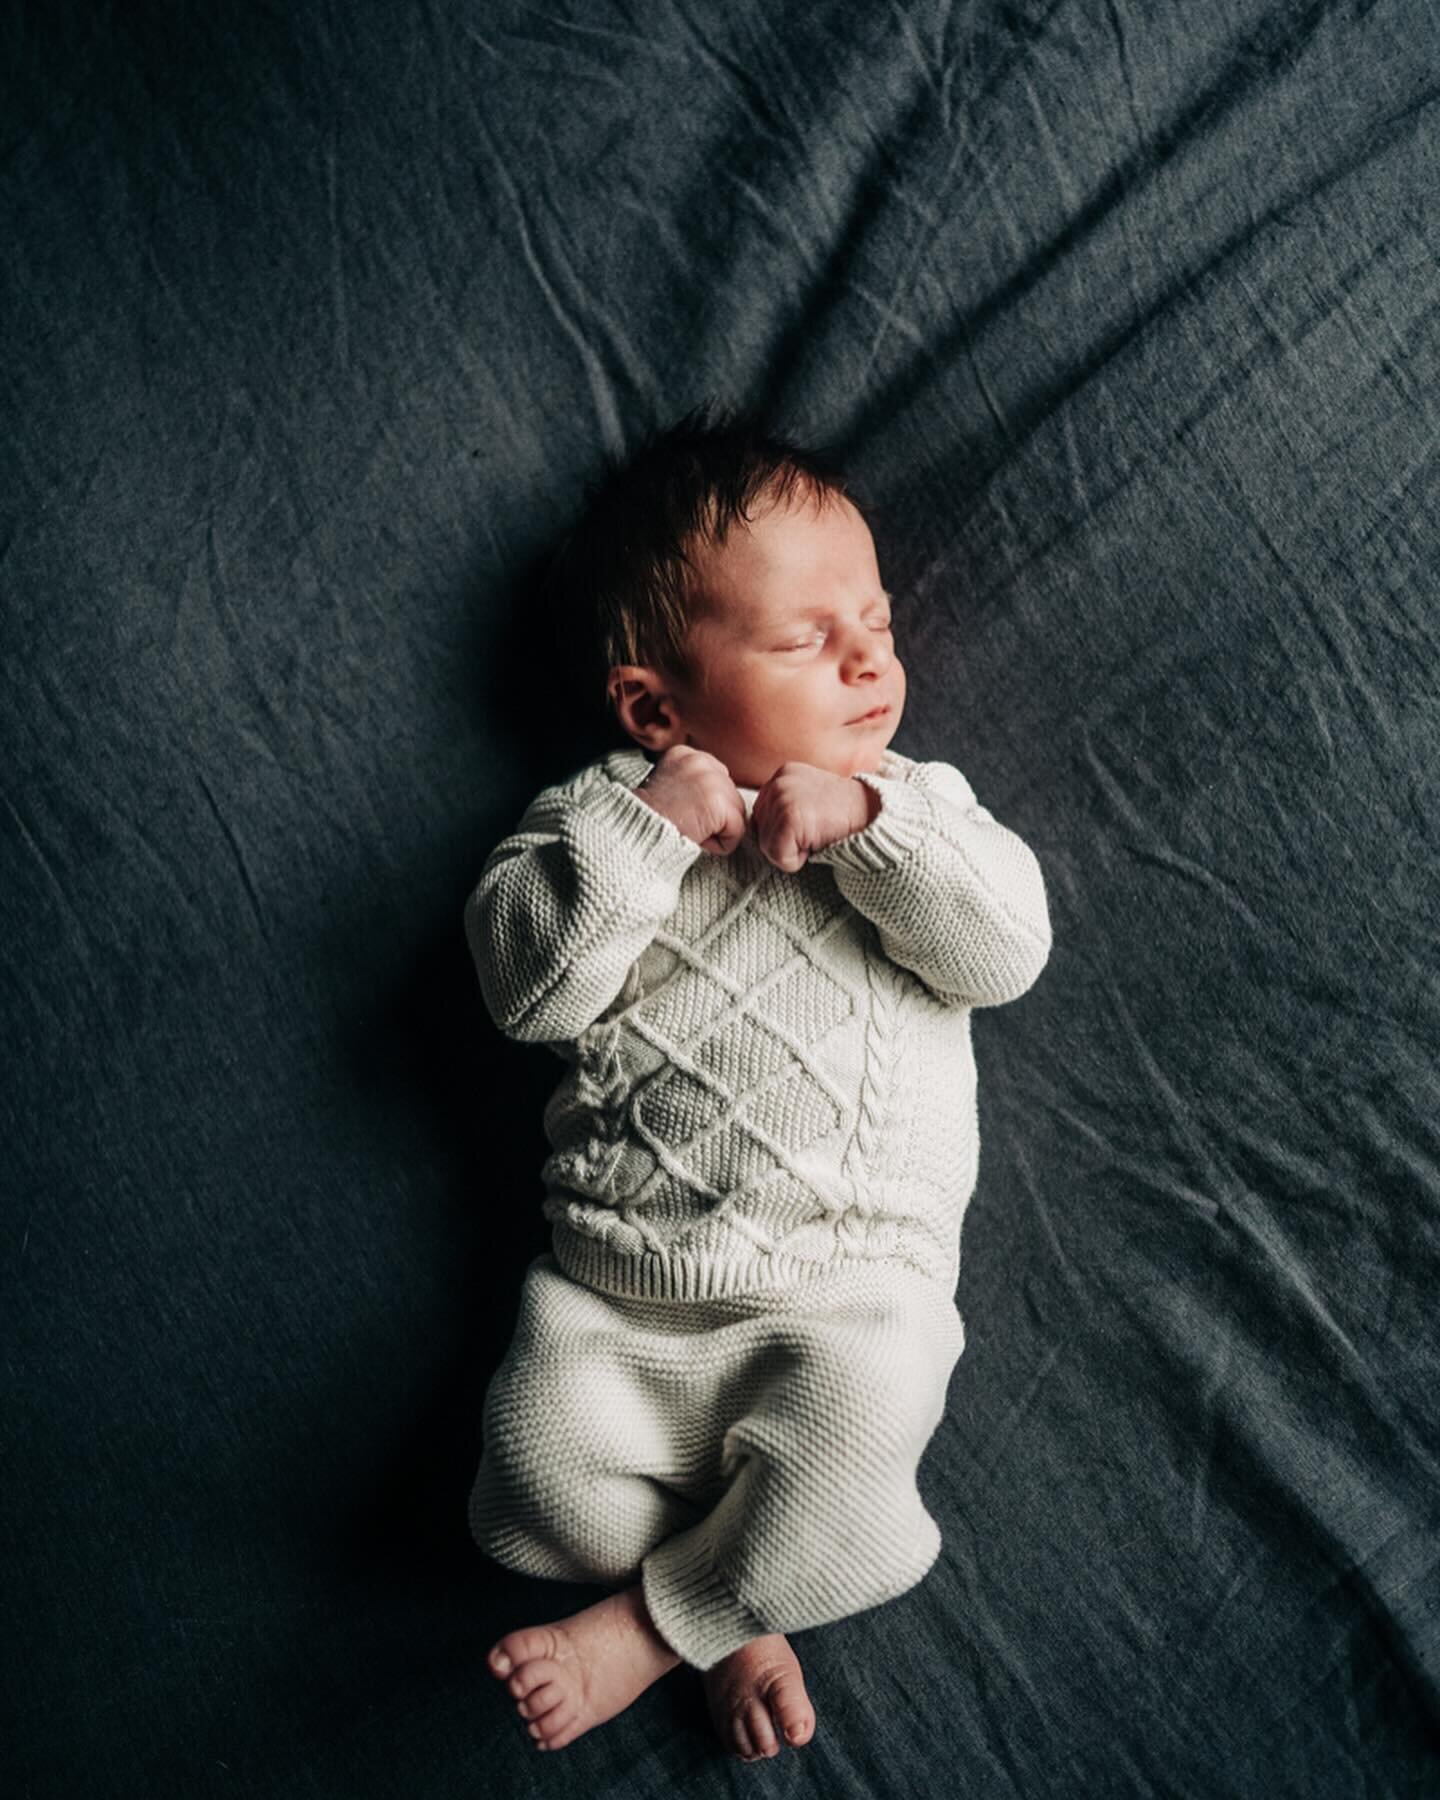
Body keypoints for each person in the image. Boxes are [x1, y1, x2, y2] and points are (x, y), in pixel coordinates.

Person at [465, 403, 1052, 1760]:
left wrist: (872, 827)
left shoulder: (922, 806)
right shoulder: (590, 821)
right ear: (653, 704)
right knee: (529, 1489)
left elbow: (1007, 950)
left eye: (880, 625)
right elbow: (526, 992)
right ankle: (736, 1601)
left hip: (855, 1291)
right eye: (805, 639)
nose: (867, 661)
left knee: (853, 1497)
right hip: (621, 1290)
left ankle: (658, 1629)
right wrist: (640, 831)